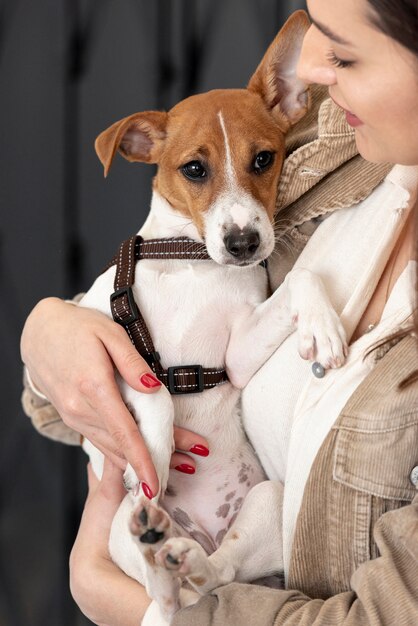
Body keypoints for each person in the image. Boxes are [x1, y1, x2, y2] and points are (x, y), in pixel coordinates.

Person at [20, 0, 418, 623]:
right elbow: (61, 403)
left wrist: (149, 613)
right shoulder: (332, 151)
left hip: (243, 561)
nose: (313, 71)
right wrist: (46, 335)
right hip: (155, 517)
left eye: (342, 51)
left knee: (260, 510)